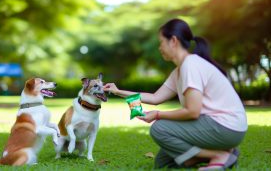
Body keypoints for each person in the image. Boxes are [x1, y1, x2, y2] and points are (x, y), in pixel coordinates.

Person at [103, 18, 247, 170]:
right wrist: (117, 91)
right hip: (216, 126)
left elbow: (193, 111)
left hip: (226, 127)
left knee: (160, 129)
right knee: (163, 162)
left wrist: (157, 115)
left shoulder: (190, 65)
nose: (160, 48)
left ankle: (218, 156)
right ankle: (224, 152)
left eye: (161, 42)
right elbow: (155, 97)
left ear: (173, 41)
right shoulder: (179, 70)